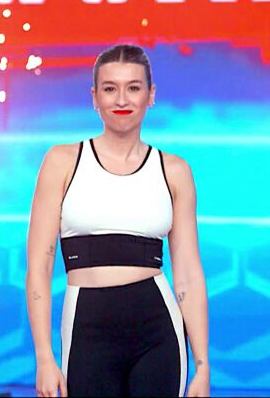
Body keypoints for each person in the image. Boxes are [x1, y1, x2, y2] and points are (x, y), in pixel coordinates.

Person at [26, 44, 209, 397]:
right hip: (86, 331)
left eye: (133, 87)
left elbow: (188, 272)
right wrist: (44, 357)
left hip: (158, 333)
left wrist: (203, 365)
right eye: (110, 88)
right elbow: (39, 266)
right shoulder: (62, 162)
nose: (122, 99)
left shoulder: (175, 171)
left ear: (150, 95)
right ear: (94, 97)